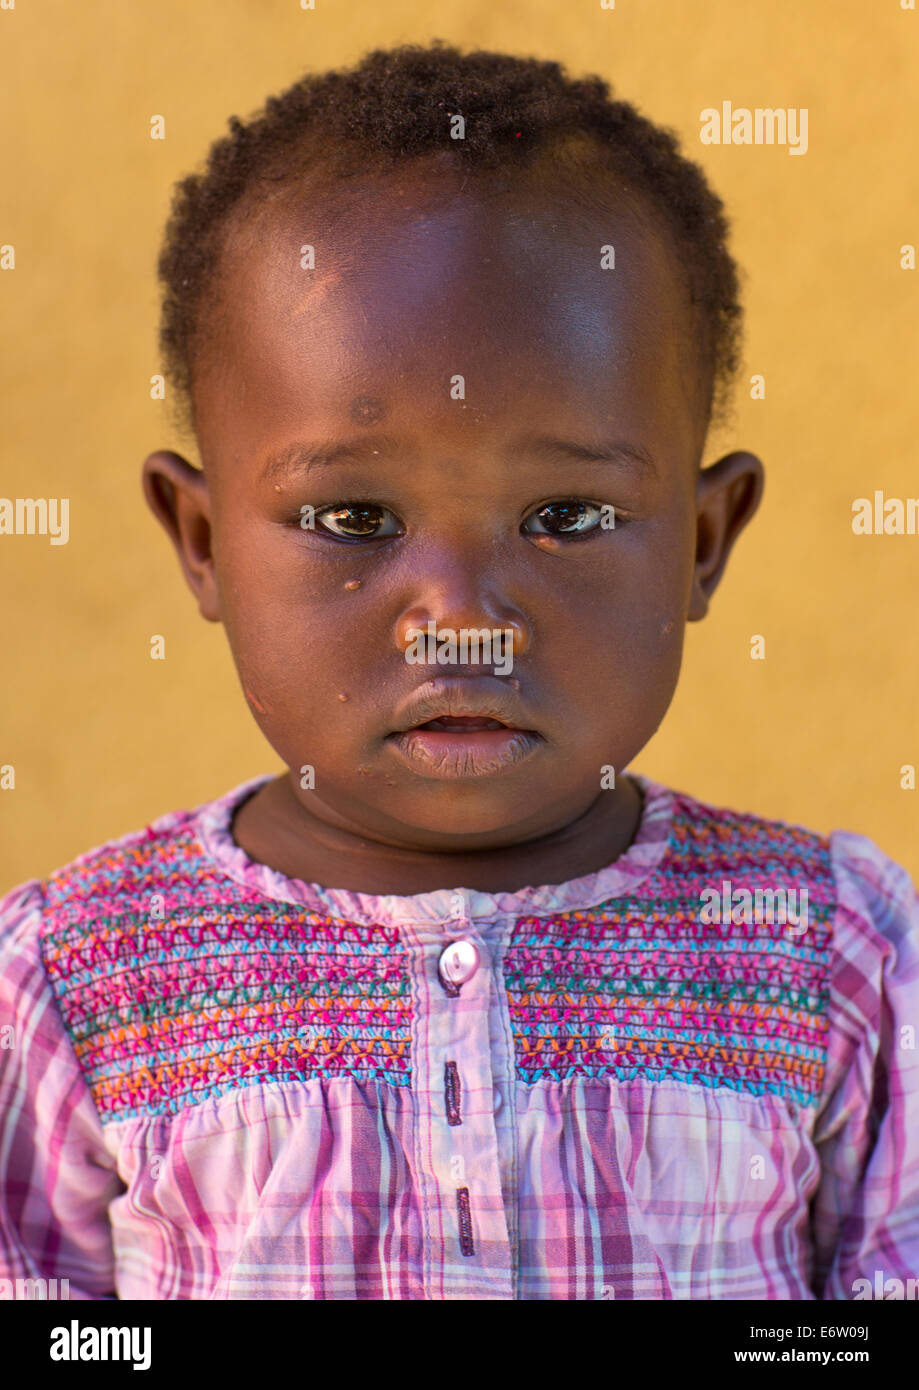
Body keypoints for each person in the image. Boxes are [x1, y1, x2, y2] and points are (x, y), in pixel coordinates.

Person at [1, 40, 916, 1300]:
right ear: (201, 542)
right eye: (353, 521)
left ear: (703, 542)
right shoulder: (75, 982)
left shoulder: (837, 956)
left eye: (569, 518)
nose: (461, 618)